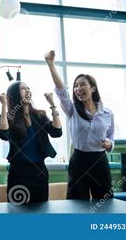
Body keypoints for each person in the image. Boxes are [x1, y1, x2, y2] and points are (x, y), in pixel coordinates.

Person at [44, 50, 114, 200]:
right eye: (76, 86)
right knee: (77, 202)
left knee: (105, 202)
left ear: (93, 88)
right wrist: (51, 65)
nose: (78, 89)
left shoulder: (107, 113)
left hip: (100, 161)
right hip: (79, 160)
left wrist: (109, 143)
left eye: (82, 85)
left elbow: (111, 138)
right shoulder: (72, 110)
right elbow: (62, 92)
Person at [0, 81, 62, 204]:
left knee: (41, 211)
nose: (27, 91)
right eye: (23, 89)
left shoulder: (39, 115)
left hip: (40, 171)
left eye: (28, 88)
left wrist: (53, 104)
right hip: (18, 172)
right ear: (14, 94)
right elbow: (3, 134)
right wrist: (4, 105)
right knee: (17, 213)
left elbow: (57, 132)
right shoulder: (9, 117)